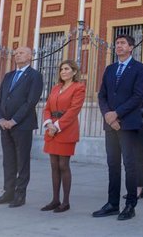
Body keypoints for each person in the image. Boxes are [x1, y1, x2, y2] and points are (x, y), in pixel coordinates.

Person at [93, 34, 143, 221]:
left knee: (130, 165)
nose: (119, 46)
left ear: (131, 47)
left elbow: (137, 96)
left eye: (123, 43)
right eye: (117, 43)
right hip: (111, 125)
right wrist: (108, 115)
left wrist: (117, 114)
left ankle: (130, 204)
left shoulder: (139, 68)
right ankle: (112, 203)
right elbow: (102, 96)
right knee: (112, 164)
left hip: (128, 123)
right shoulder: (110, 69)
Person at [0, 46, 43, 208]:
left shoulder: (35, 76)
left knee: (22, 161)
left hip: (23, 126)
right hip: (4, 126)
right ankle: (8, 192)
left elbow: (31, 101)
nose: (17, 55)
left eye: (21, 53)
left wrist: (14, 120)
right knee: (8, 160)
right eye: (16, 53)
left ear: (30, 56)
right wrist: (0, 119)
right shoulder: (8, 76)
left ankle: (20, 195)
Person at [40, 59, 86, 213]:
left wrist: (57, 126)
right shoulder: (55, 88)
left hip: (66, 129)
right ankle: (55, 200)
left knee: (63, 165)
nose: (64, 71)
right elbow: (47, 108)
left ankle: (65, 202)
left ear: (74, 72)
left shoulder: (79, 87)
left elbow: (74, 110)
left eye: (67, 69)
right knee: (54, 166)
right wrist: (49, 124)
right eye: (61, 69)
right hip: (51, 129)